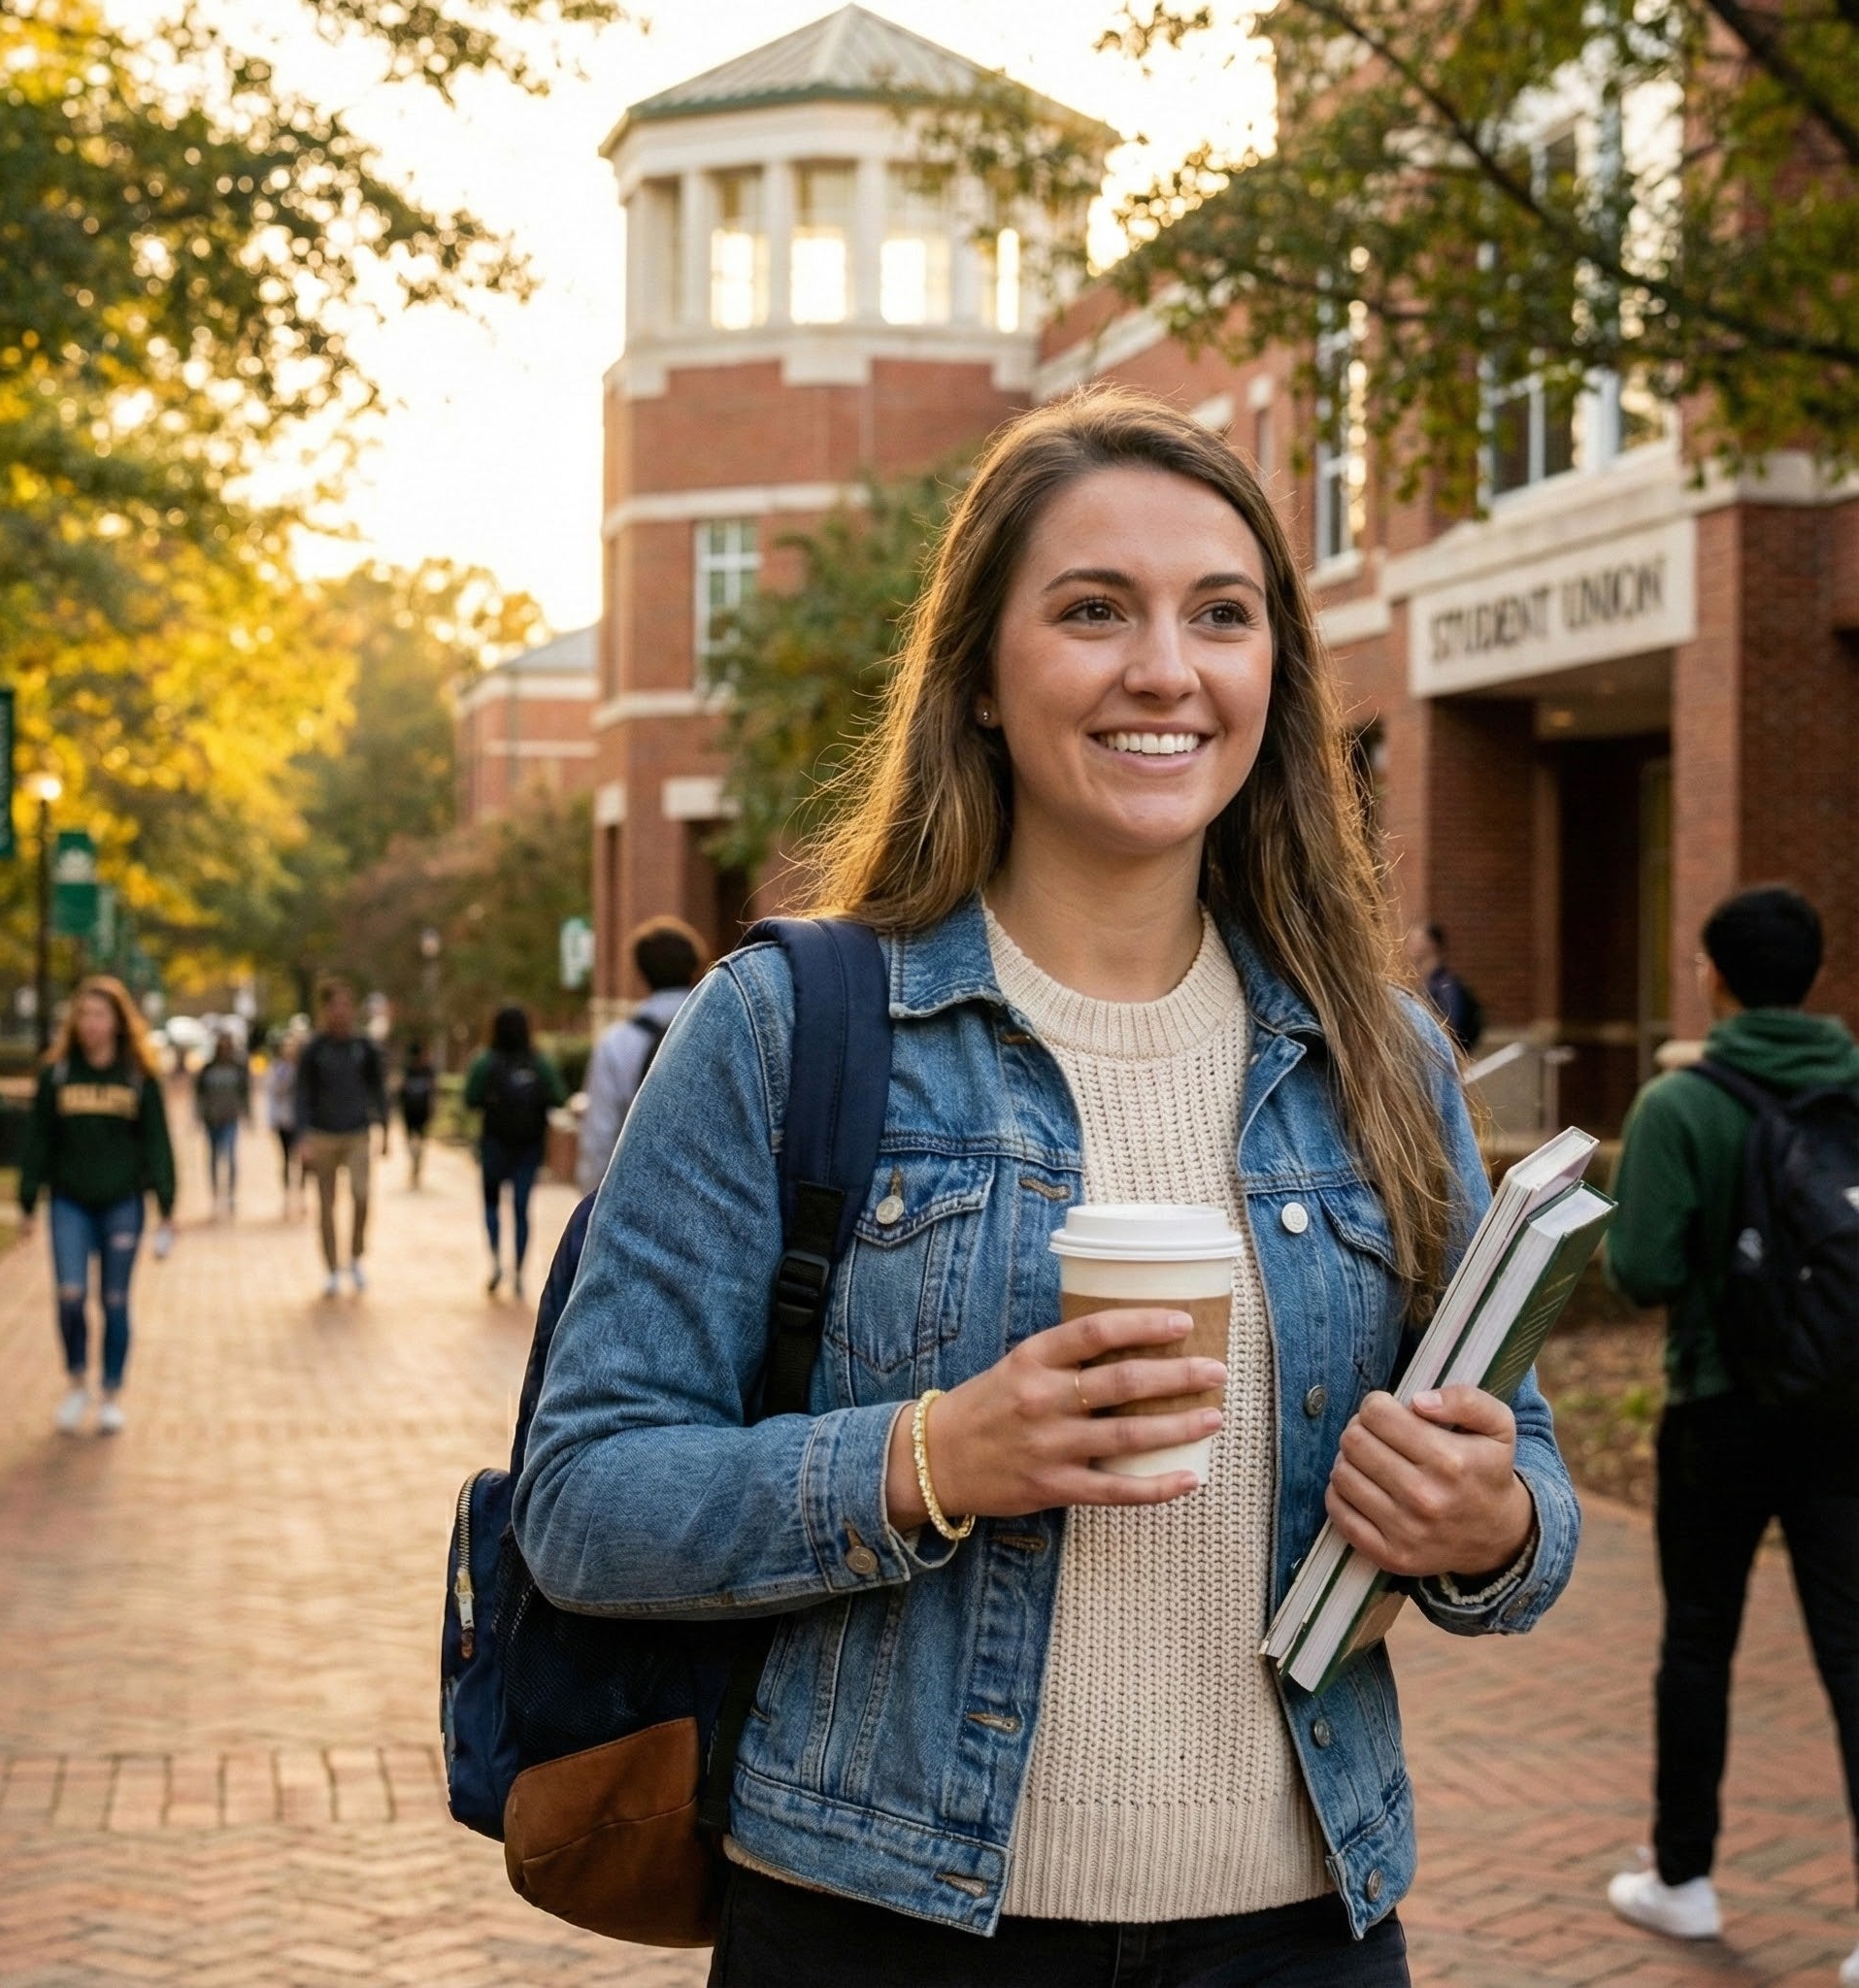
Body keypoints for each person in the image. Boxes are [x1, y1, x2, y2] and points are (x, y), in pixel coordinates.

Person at [520, 388, 1580, 1985]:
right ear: (979, 676)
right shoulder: (790, 1026)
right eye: (1093, 610)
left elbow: (1529, 1503)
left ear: (1269, 674)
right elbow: (583, 1501)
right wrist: (934, 1453)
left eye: (1218, 615)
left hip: (1298, 1930)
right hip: (881, 1922)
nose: (1164, 667)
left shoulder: (1380, 1058)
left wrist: (1485, 1516)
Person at [1604, 885, 1859, 1982]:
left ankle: (1683, 1878)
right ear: (1813, 973)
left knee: (1697, 1638)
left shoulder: (1679, 1103)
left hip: (1717, 1404)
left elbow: (1642, 1269)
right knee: (1851, 1652)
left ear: (1710, 970)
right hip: (1846, 1408)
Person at [18, 976, 177, 1436]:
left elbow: (157, 1143)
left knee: (114, 1298)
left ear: (118, 1022)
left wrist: (167, 1203)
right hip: (69, 1202)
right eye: (84, 1015)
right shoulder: (59, 1075)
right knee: (70, 1295)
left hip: (122, 1203)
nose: (91, 1024)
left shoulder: (137, 1078)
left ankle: (110, 1391)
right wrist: (28, 1201)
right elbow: (37, 1142)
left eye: (100, 1015)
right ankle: (75, 1381)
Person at [574, 916, 706, 1192]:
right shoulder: (722, 1031)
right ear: (695, 966)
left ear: (641, 973)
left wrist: (592, 1204)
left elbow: (600, 1136)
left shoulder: (617, 1043)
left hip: (639, 1197)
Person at [463, 1007, 564, 1299]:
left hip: (494, 1142)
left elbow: (470, 1098)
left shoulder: (485, 1061)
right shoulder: (539, 1062)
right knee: (521, 1208)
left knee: (492, 1205)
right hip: (528, 1145)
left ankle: (496, 1263)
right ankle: (519, 1271)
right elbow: (559, 1095)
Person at [294, 977, 386, 1297]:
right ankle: (332, 1267)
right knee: (327, 1205)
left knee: (362, 1195)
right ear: (326, 1010)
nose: (341, 1012)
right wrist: (301, 1137)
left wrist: (384, 1128)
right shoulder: (315, 1050)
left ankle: (356, 1256)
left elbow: (378, 1088)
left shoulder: (364, 1048)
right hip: (322, 1134)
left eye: (346, 1005)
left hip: (358, 1132)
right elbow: (302, 1094)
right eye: (335, 1006)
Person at [1404, 922, 1482, 1054]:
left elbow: (1452, 1027)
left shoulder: (1445, 985)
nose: (1409, 945)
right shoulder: (1425, 982)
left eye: (1416, 940)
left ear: (1431, 944)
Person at [194, 1033, 250, 1216]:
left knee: (230, 1157)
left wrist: (248, 1114)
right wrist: (198, 1115)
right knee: (213, 1159)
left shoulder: (237, 1069)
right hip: (211, 1120)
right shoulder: (208, 1069)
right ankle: (215, 1196)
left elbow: (244, 1093)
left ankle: (231, 1196)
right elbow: (199, 1094)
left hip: (230, 1119)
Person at [265, 1025, 304, 1217]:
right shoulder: (277, 1070)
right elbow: (272, 1095)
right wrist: (272, 1120)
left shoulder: (304, 1071)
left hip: (300, 1122)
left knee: (303, 1161)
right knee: (287, 1160)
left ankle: (302, 1196)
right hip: (283, 1120)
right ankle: (288, 1197)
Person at [398, 1038, 437, 1189]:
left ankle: (417, 1165)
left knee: (420, 1142)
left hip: (422, 1112)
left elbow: (433, 1090)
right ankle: (415, 1163)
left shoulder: (427, 1070)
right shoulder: (407, 1070)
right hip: (410, 1111)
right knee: (410, 1142)